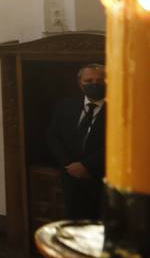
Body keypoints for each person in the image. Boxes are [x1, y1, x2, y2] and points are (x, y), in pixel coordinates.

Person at [45, 64, 107, 221]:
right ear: (80, 83)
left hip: (103, 180)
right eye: (89, 80)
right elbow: (53, 137)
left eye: (99, 80)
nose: (94, 84)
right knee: (75, 227)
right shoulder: (65, 105)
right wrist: (70, 165)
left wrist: (86, 166)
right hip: (71, 178)